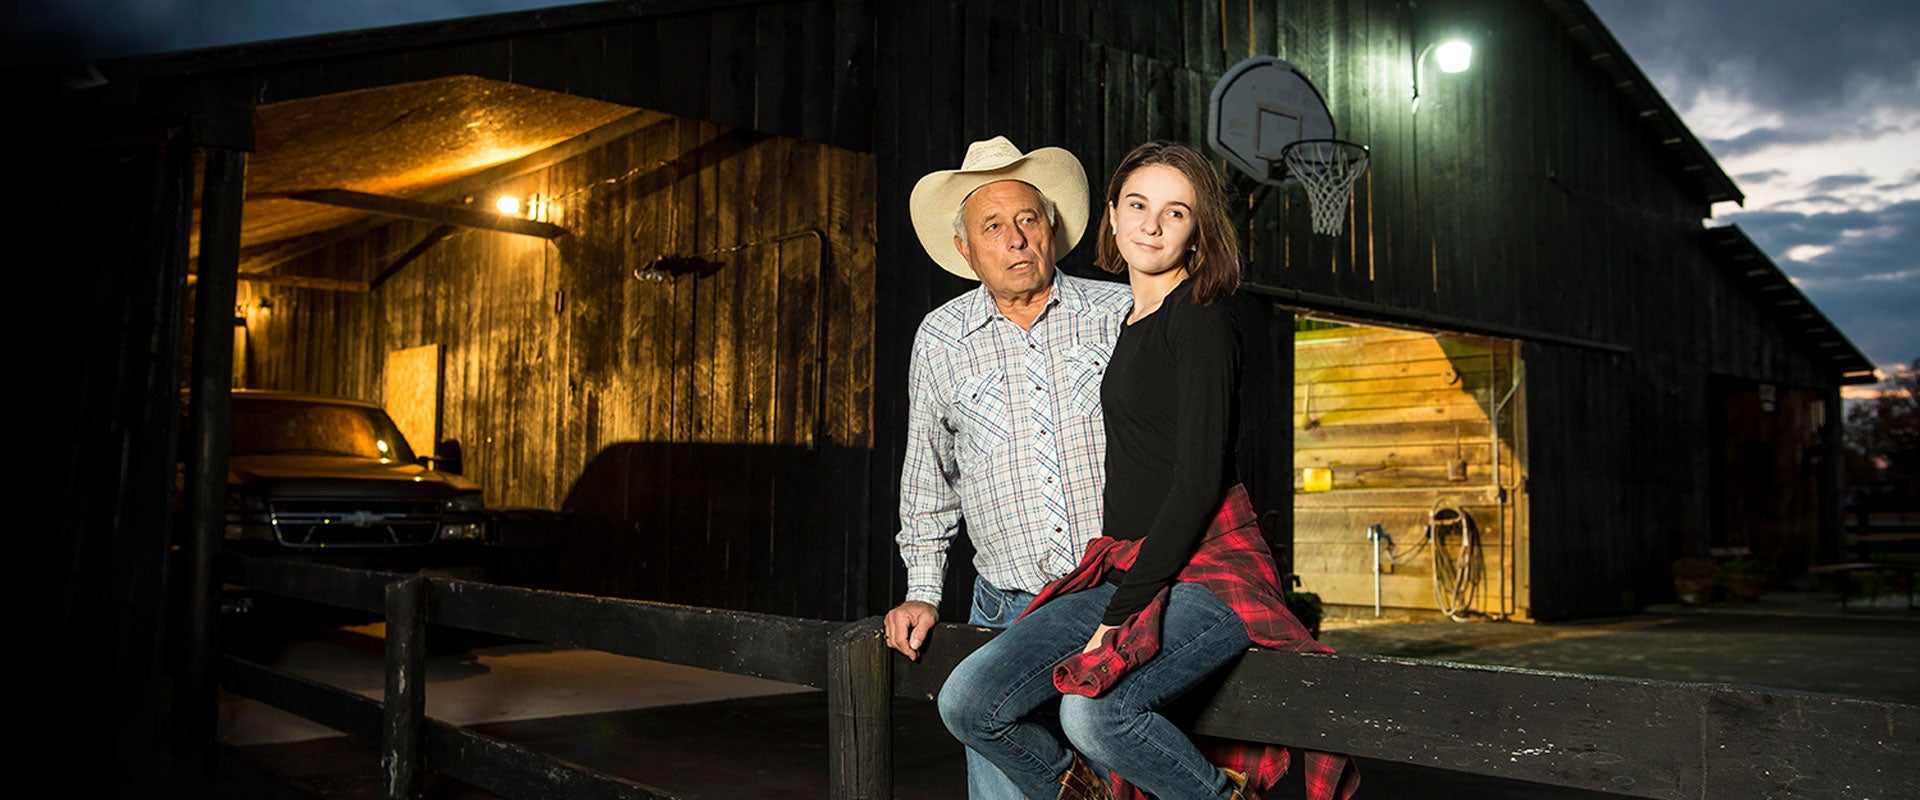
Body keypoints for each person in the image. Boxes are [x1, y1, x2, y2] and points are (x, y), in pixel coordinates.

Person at [937, 141, 1358, 800]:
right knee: (968, 701)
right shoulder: (1131, 322)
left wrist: (1122, 613)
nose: (1153, 224)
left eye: (1176, 212)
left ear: (1198, 231)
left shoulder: (1201, 318)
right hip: (1132, 565)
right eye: (1137, 204)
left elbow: (1196, 483)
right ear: (1111, 215)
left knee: (1095, 713)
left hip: (1209, 571)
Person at [891, 136, 1133, 799]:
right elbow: (927, 478)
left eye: (1028, 219)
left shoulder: (1119, 315)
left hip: (1112, 603)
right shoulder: (940, 340)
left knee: (1117, 750)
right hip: (1004, 609)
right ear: (966, 251)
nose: (1016, 238)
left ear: (1051, 228)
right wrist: (922, 589)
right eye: (992, 226)